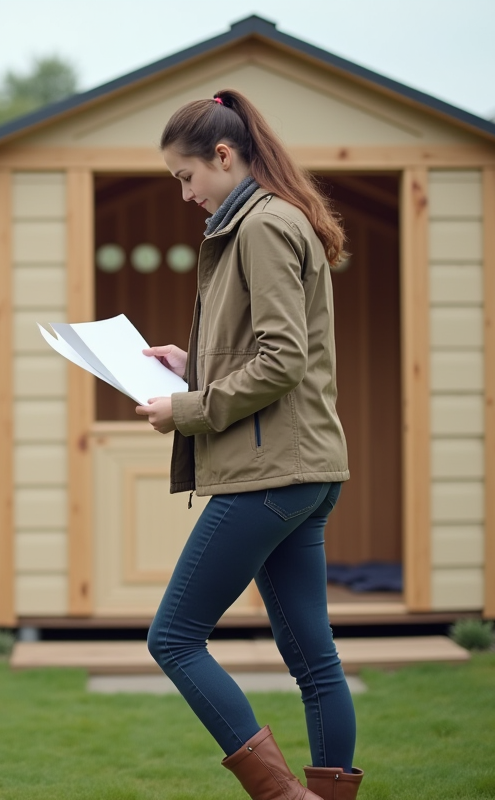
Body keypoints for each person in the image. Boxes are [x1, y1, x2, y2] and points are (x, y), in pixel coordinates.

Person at [134, 89, 362, 799]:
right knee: (314, 661)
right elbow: (267, 354)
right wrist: (190, 364)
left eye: (186, 176)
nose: (183, 192)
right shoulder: (268, 220)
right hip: (305, 468)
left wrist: (190, 408)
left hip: (268, 472)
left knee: (173, 637)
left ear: (223, 157)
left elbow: (281, 361)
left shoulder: (261, 226)